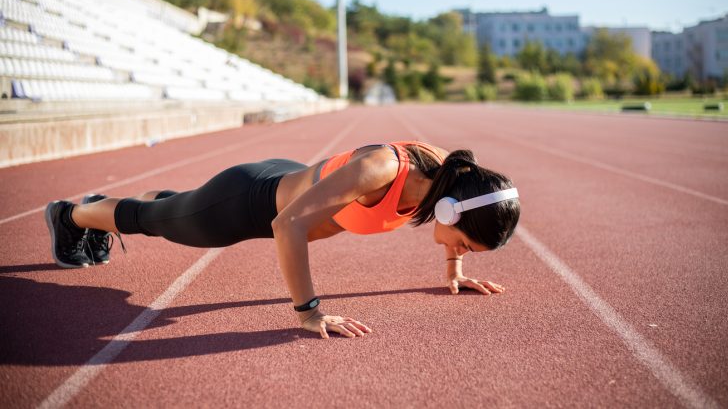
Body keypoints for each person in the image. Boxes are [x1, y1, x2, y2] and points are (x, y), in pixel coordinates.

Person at [45, 141, 521, 339]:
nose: (457, 249)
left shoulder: (451, 178)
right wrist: (310, 313)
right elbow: (287, 226)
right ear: (448, 209)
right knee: (151, 220)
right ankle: (71, 214)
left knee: (170, 210)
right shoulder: (386, 169)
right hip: (247, 203)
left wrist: (455, 271)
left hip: (284, 181)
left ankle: (165, 202)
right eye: (464, 244)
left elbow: (455, 234)